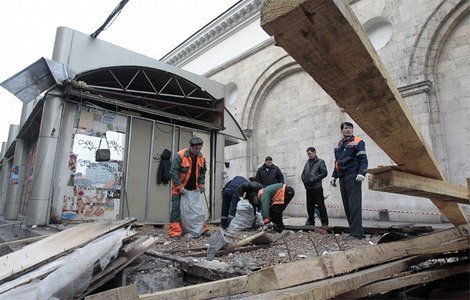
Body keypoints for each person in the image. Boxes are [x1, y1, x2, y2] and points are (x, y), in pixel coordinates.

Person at [330, 122, 368, 239]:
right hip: (342, 176)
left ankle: (356, 234)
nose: (348, 130)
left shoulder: (358, 142)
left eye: (350, 128)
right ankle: (356, 231)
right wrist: (334, 175)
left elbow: (363, 159)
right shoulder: (339, 145)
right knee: (347, 205)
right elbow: (337, 162)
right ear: (342, 130)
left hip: (353, 176)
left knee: (354, 205)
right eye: (346, 128)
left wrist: (362, 173)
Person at [169, 136, 208, 238]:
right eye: (196, 148)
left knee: (198, 210)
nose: (198, 150)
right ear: (190, 147)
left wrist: (201, 184)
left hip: (193, 188)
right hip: (179, 189)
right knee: (176, 211)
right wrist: (179, 186)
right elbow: (173, 172)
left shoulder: (201, 157)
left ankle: (202, 229)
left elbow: (202, 172)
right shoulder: (180, 156)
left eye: (200, 148)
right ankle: (175, 233)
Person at [301, 147, 328, 226]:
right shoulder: (307, 163)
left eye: (310, 153)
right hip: (308, 187)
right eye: (308, 154)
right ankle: (311, 222)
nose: (309, 155)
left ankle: (324, 222)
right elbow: (303, 173)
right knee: (309, 206)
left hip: (317, 187)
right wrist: (304, 179)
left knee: (320, 205)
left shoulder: (320, 162)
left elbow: (324, 173)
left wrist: (314, 179)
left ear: (314, 152)